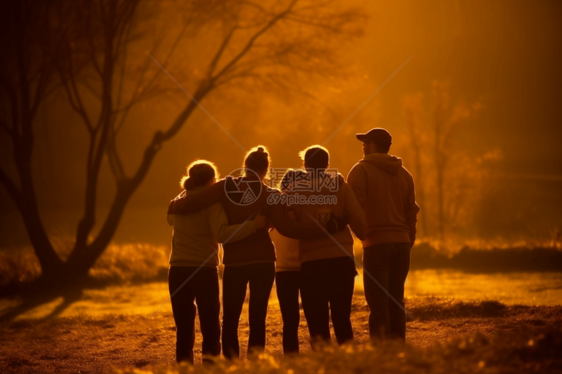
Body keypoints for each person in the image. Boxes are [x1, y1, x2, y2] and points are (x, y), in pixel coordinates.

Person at [167, 146, 343, 360]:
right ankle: (255, 363)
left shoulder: (225, 187)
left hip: (235, 263)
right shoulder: (272, 194)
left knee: (230, 318)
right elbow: (289, 228)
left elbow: (198, 200)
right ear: (266, 170)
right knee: (258, 317)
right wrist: (325, 228)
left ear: (245, 166)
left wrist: (175, 204)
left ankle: (232, 361)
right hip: (263, 262)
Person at [167, 160, 266, 364]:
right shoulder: (212, 205)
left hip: (177, 270)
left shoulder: (179, 202)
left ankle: (184, 368)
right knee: (210, 327)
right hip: (202, 270)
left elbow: (169, 219)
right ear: (212, 180)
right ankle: (211, 368)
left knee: (183, 327)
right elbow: (222, 234)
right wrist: (252, 225)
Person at [287, 145, 367, 347]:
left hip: (312, 264)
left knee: (317, 322)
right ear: (327, 165)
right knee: (342, 318)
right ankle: (348, 366)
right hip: (341, 261)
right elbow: (359, 222)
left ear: (305, 165)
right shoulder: (341, 186)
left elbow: (286, 225)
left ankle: (324, 365)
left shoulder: (293, 191)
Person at [347, 128, 420, 340]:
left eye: (365, 142)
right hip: (401, 245)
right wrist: (408, 239)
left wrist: (362, 235)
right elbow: (412, 210)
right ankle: (397, 354)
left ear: (373, 145)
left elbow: (354, 207)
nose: (362, 145)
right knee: (396, 302)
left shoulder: (360, 171)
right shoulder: (404, 173)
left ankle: (381, 359)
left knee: (379, 306)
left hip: (377, 245)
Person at [269, 169, 304, 355]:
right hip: (306, 266)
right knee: (316, 316)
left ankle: (291, 355)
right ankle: (322, 355)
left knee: (290, 319)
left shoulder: (274, 205)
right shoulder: (306, 204)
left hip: (283, 269)